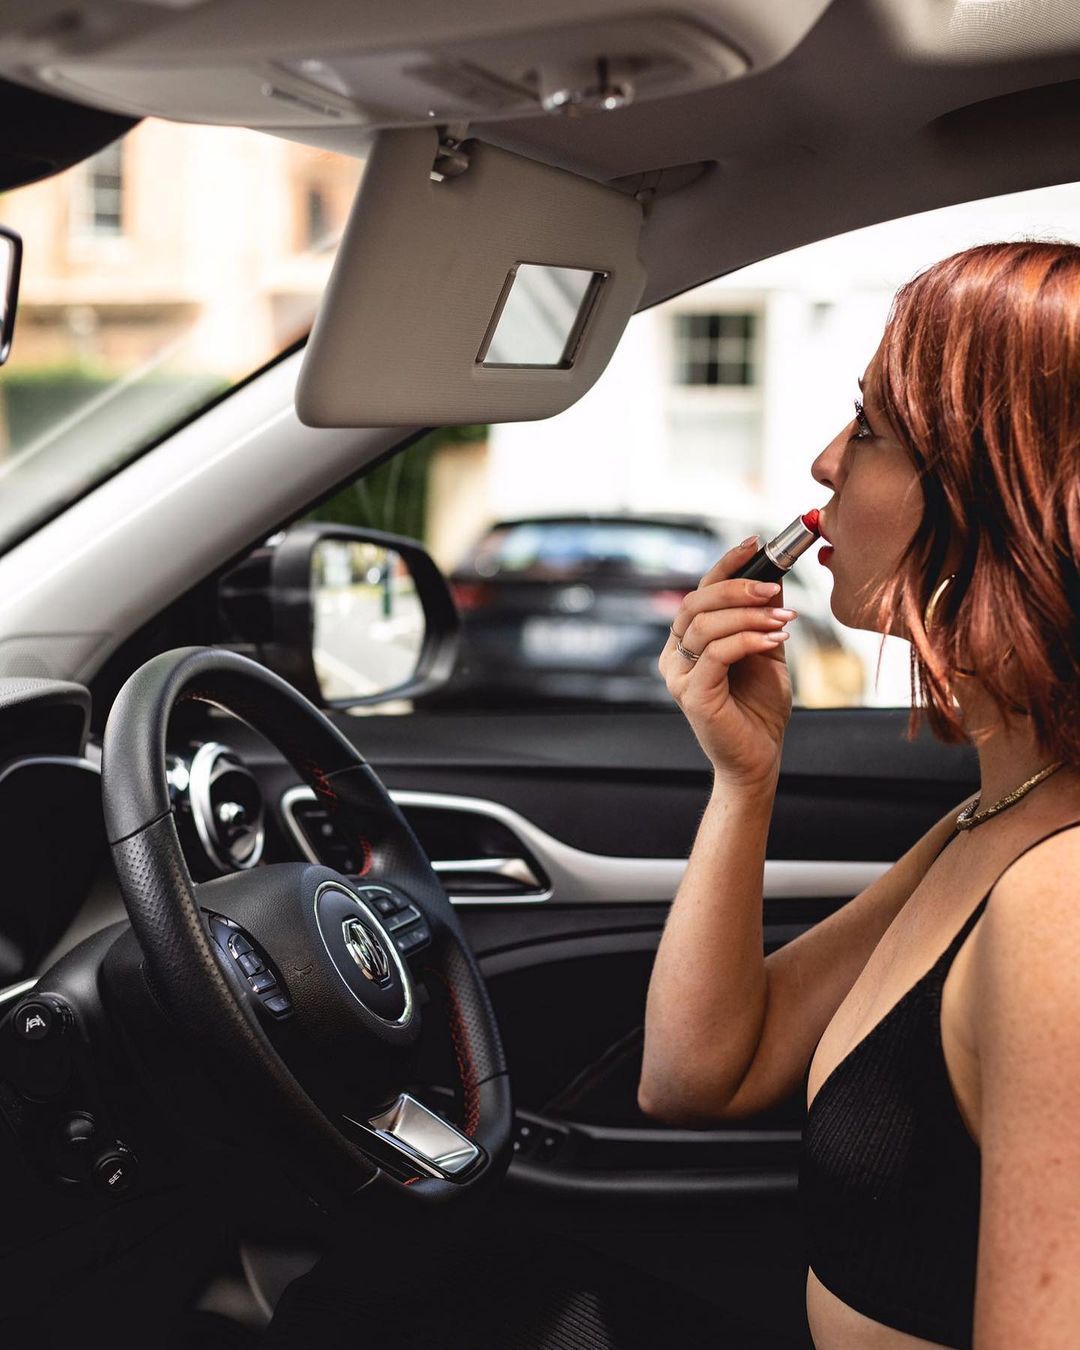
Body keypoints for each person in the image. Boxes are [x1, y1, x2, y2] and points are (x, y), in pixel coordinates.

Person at [641, 240, 1080, 1349]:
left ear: (1001, 494)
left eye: (873, 427)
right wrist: (745, 779)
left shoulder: (1063, 899)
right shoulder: (996, 816)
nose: (826, 462)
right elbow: (698, 1075)